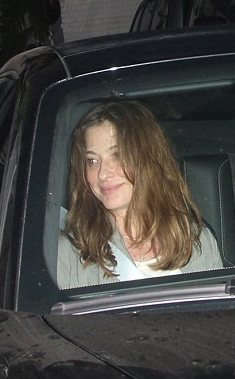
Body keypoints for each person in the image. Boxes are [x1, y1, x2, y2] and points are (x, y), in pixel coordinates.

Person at [57, 101, 223, 289]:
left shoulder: (196, 241)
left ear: (148, 159)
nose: (102, 174)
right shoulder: (67, 255)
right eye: (92, 161)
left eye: (117, 155)